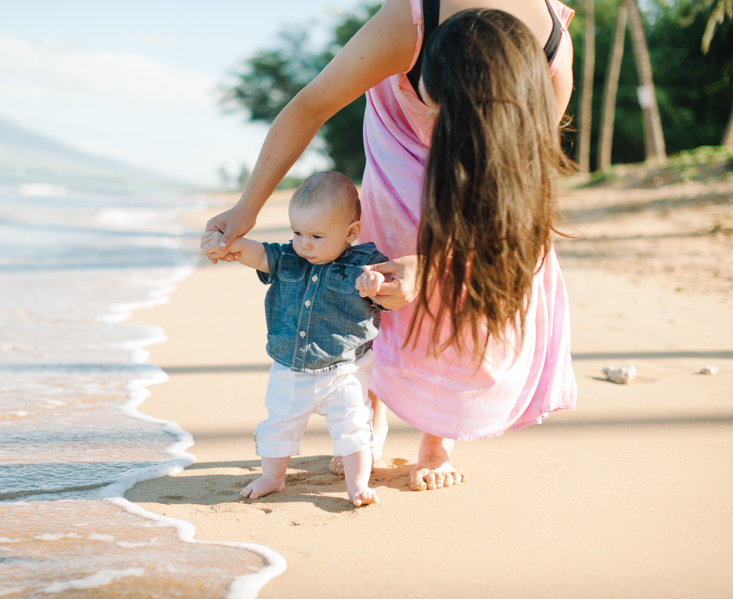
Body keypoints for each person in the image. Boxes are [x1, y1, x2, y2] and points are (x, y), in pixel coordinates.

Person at [203, 0, 576, 491]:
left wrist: (434, 265)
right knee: (377, 279)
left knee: (465, 295)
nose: (439, 124)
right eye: (434, 104)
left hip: (491, 169)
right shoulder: (410, 22)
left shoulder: (549, 59)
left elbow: (513, 201)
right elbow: (310, 106)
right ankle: (368, 406)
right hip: (399, 150)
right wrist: (246, 209)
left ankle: (437, 436)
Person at [202, 172, 389, 506]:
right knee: (278, 424)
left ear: (351, 233)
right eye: (297, 232)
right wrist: (225, 245)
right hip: (289, 368)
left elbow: (388, 286)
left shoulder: (364, 263)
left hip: (343, 370)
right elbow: (256, 253)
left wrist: (377, 283)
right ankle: (273, 477)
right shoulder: (289, 258)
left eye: (317, 236)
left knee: (354, 426)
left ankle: (358, 483)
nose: (304, 243)